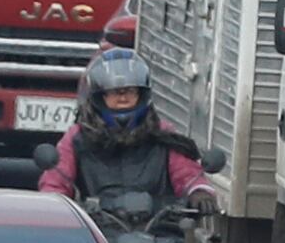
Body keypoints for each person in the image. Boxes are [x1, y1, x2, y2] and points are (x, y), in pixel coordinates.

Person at [38, 47, 205, 209]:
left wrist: (199, 192)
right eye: (114, 92)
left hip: (159, 231)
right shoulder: (78, 137)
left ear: (142, 94)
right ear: (99, 96)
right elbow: (56, 182)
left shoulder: (163, 135)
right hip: (95, 232)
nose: (123, 98)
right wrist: (54, 203)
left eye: (130, 91)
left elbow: (187, 174)